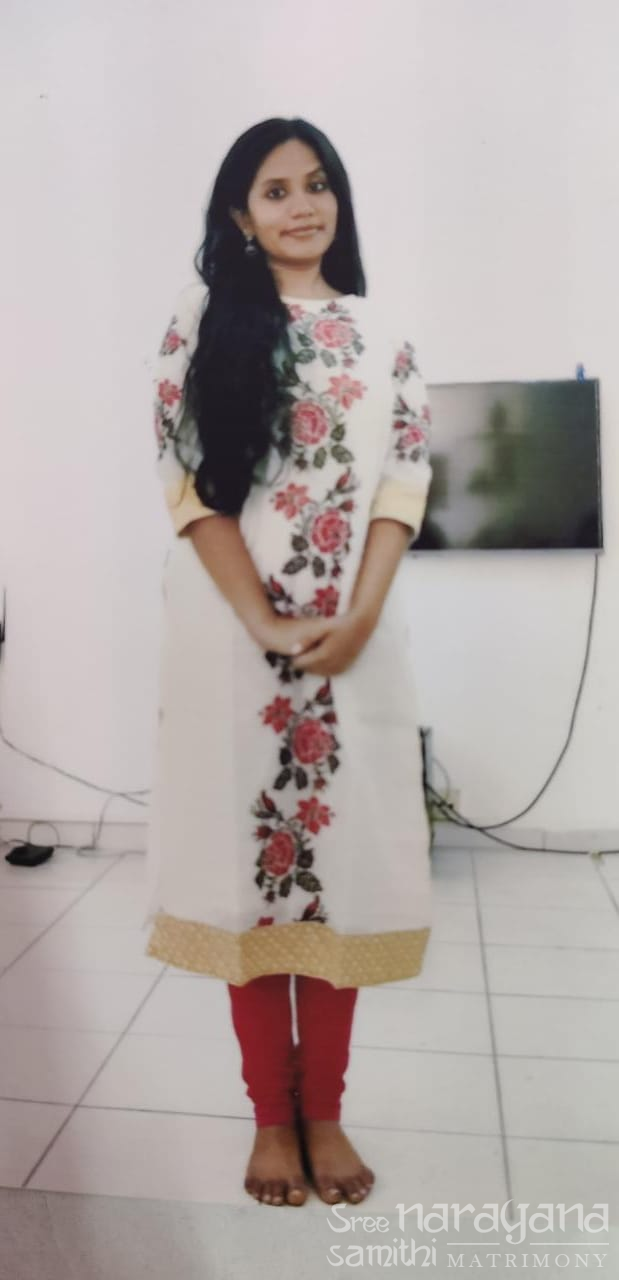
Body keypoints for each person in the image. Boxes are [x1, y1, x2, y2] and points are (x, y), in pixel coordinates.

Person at [143, 117, 434, 1208]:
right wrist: (263, 623)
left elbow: (403, 481)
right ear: (239, 213)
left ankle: (326, 1112)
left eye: (318, 184)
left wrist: (358, 616)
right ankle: (271, 1114)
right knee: (249, 879)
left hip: (353, 647)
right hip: (232, 643)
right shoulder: (201, 321)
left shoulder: (379, 328)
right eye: (275, 190)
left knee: (339, 876)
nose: (302, 205)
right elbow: (185, 482)